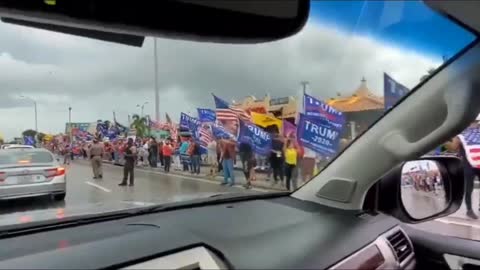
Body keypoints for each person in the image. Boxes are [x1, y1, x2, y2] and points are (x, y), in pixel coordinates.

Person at [444, 133, 480, 219]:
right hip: (468, 166)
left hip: (478, 163)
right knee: (468, 189)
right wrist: (444, 141)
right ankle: (469, 210)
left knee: (469, 188)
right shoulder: (460, 136)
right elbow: (452, 148)